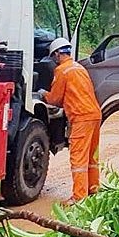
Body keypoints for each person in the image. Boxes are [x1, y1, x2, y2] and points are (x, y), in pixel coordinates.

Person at [41, 37, 102, 205]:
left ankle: (79, 196)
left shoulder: (62, 71)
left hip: (81, 118)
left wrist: (42, 94)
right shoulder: (80, 68)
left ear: (57, 55)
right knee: (92, 156)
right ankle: (93, 190)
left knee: (78, 158)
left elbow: (54, 99)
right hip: (95, 115)